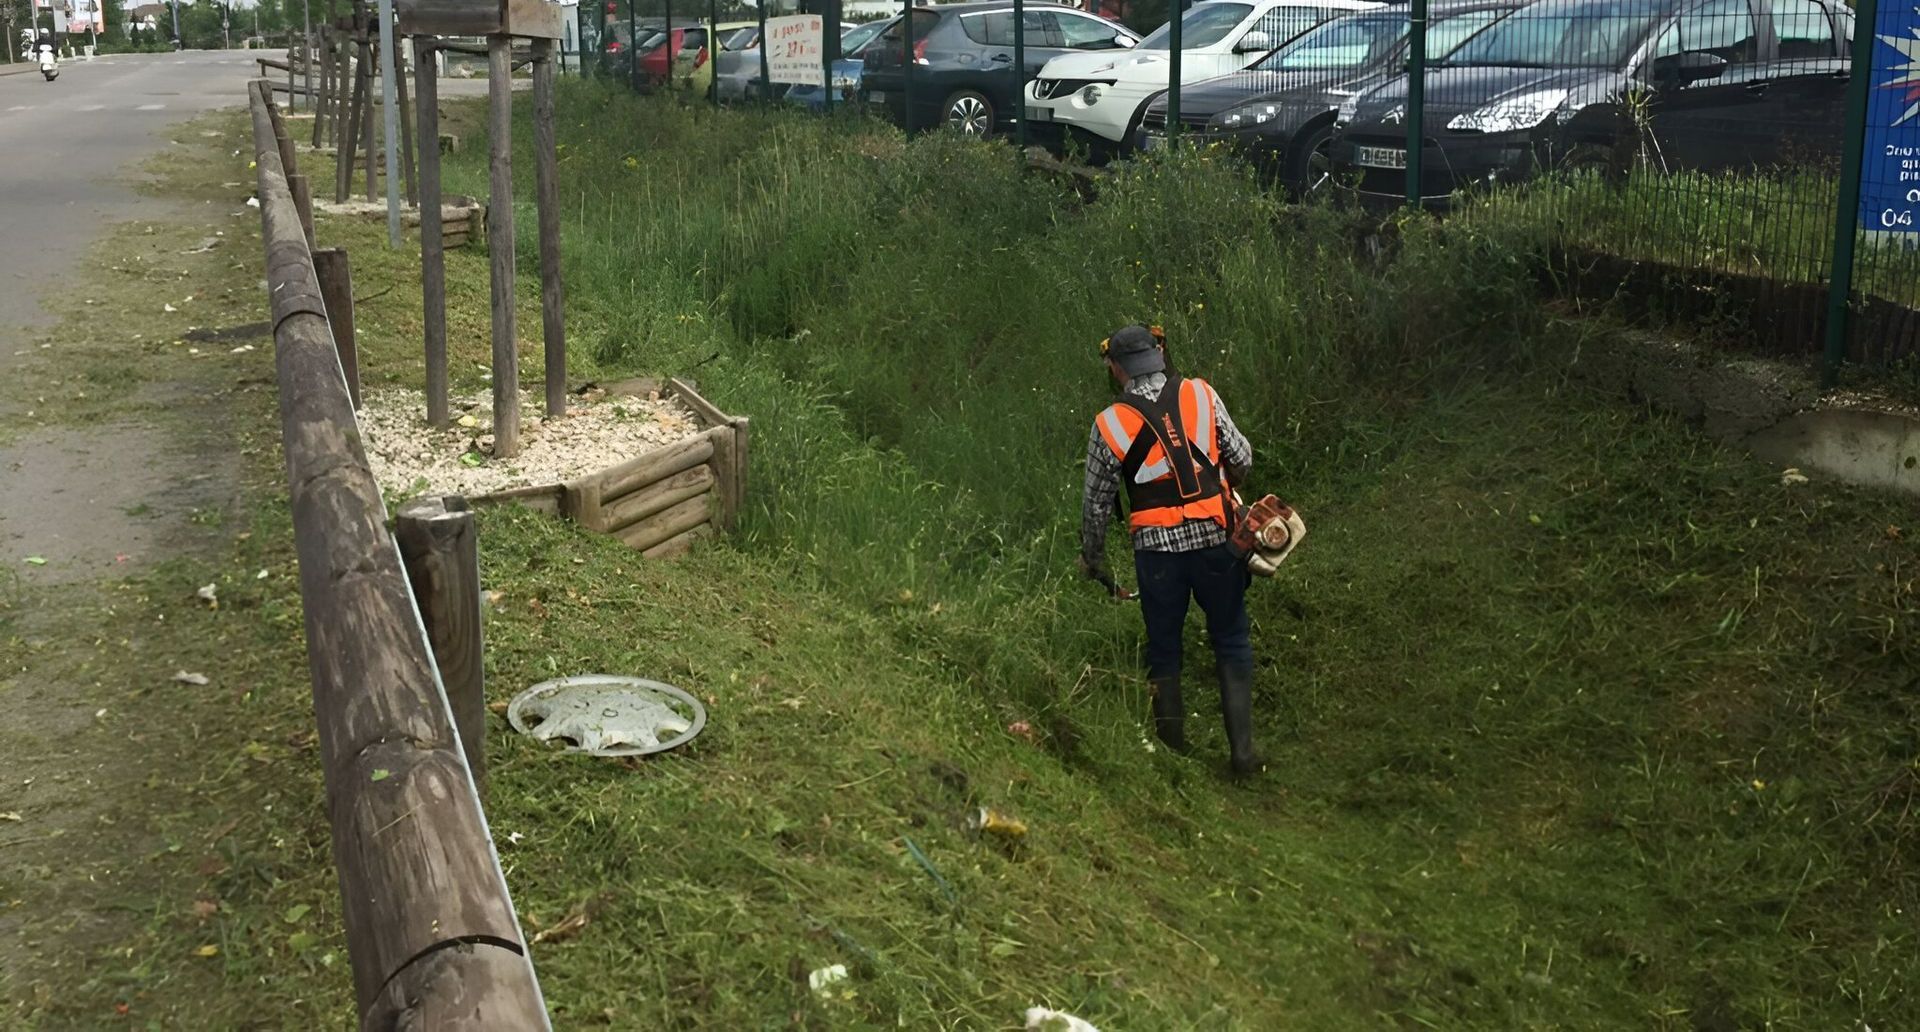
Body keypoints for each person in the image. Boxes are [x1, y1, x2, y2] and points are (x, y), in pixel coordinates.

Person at [1079, 324, 1262, 775]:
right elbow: (1241, 458)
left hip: (1157, 557)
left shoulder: (1109, 423)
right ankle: (1243, 754)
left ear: (1116, 367)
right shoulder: (1201, 393)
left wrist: (1093, 558)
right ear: (1159, 354)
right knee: (1232, 639)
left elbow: (1097, 504)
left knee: (1164, 649)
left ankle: (1174, 755)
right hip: (1218, 544)